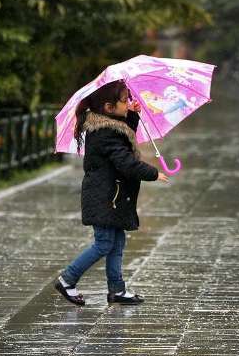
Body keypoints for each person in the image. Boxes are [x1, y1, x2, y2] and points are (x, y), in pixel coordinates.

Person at [54, 80, 169, 306]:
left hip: (112, 196)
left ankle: (117, 289)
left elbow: (125, 136)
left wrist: (133, 115)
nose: (128, 103)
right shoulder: (105, 133)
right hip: (105, 197)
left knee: (116, 241)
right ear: (108, 107)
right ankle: (67, 279)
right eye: (124, 101)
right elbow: (125, 161)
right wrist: (153, 173)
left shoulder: (111, 126)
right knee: (104, 243)